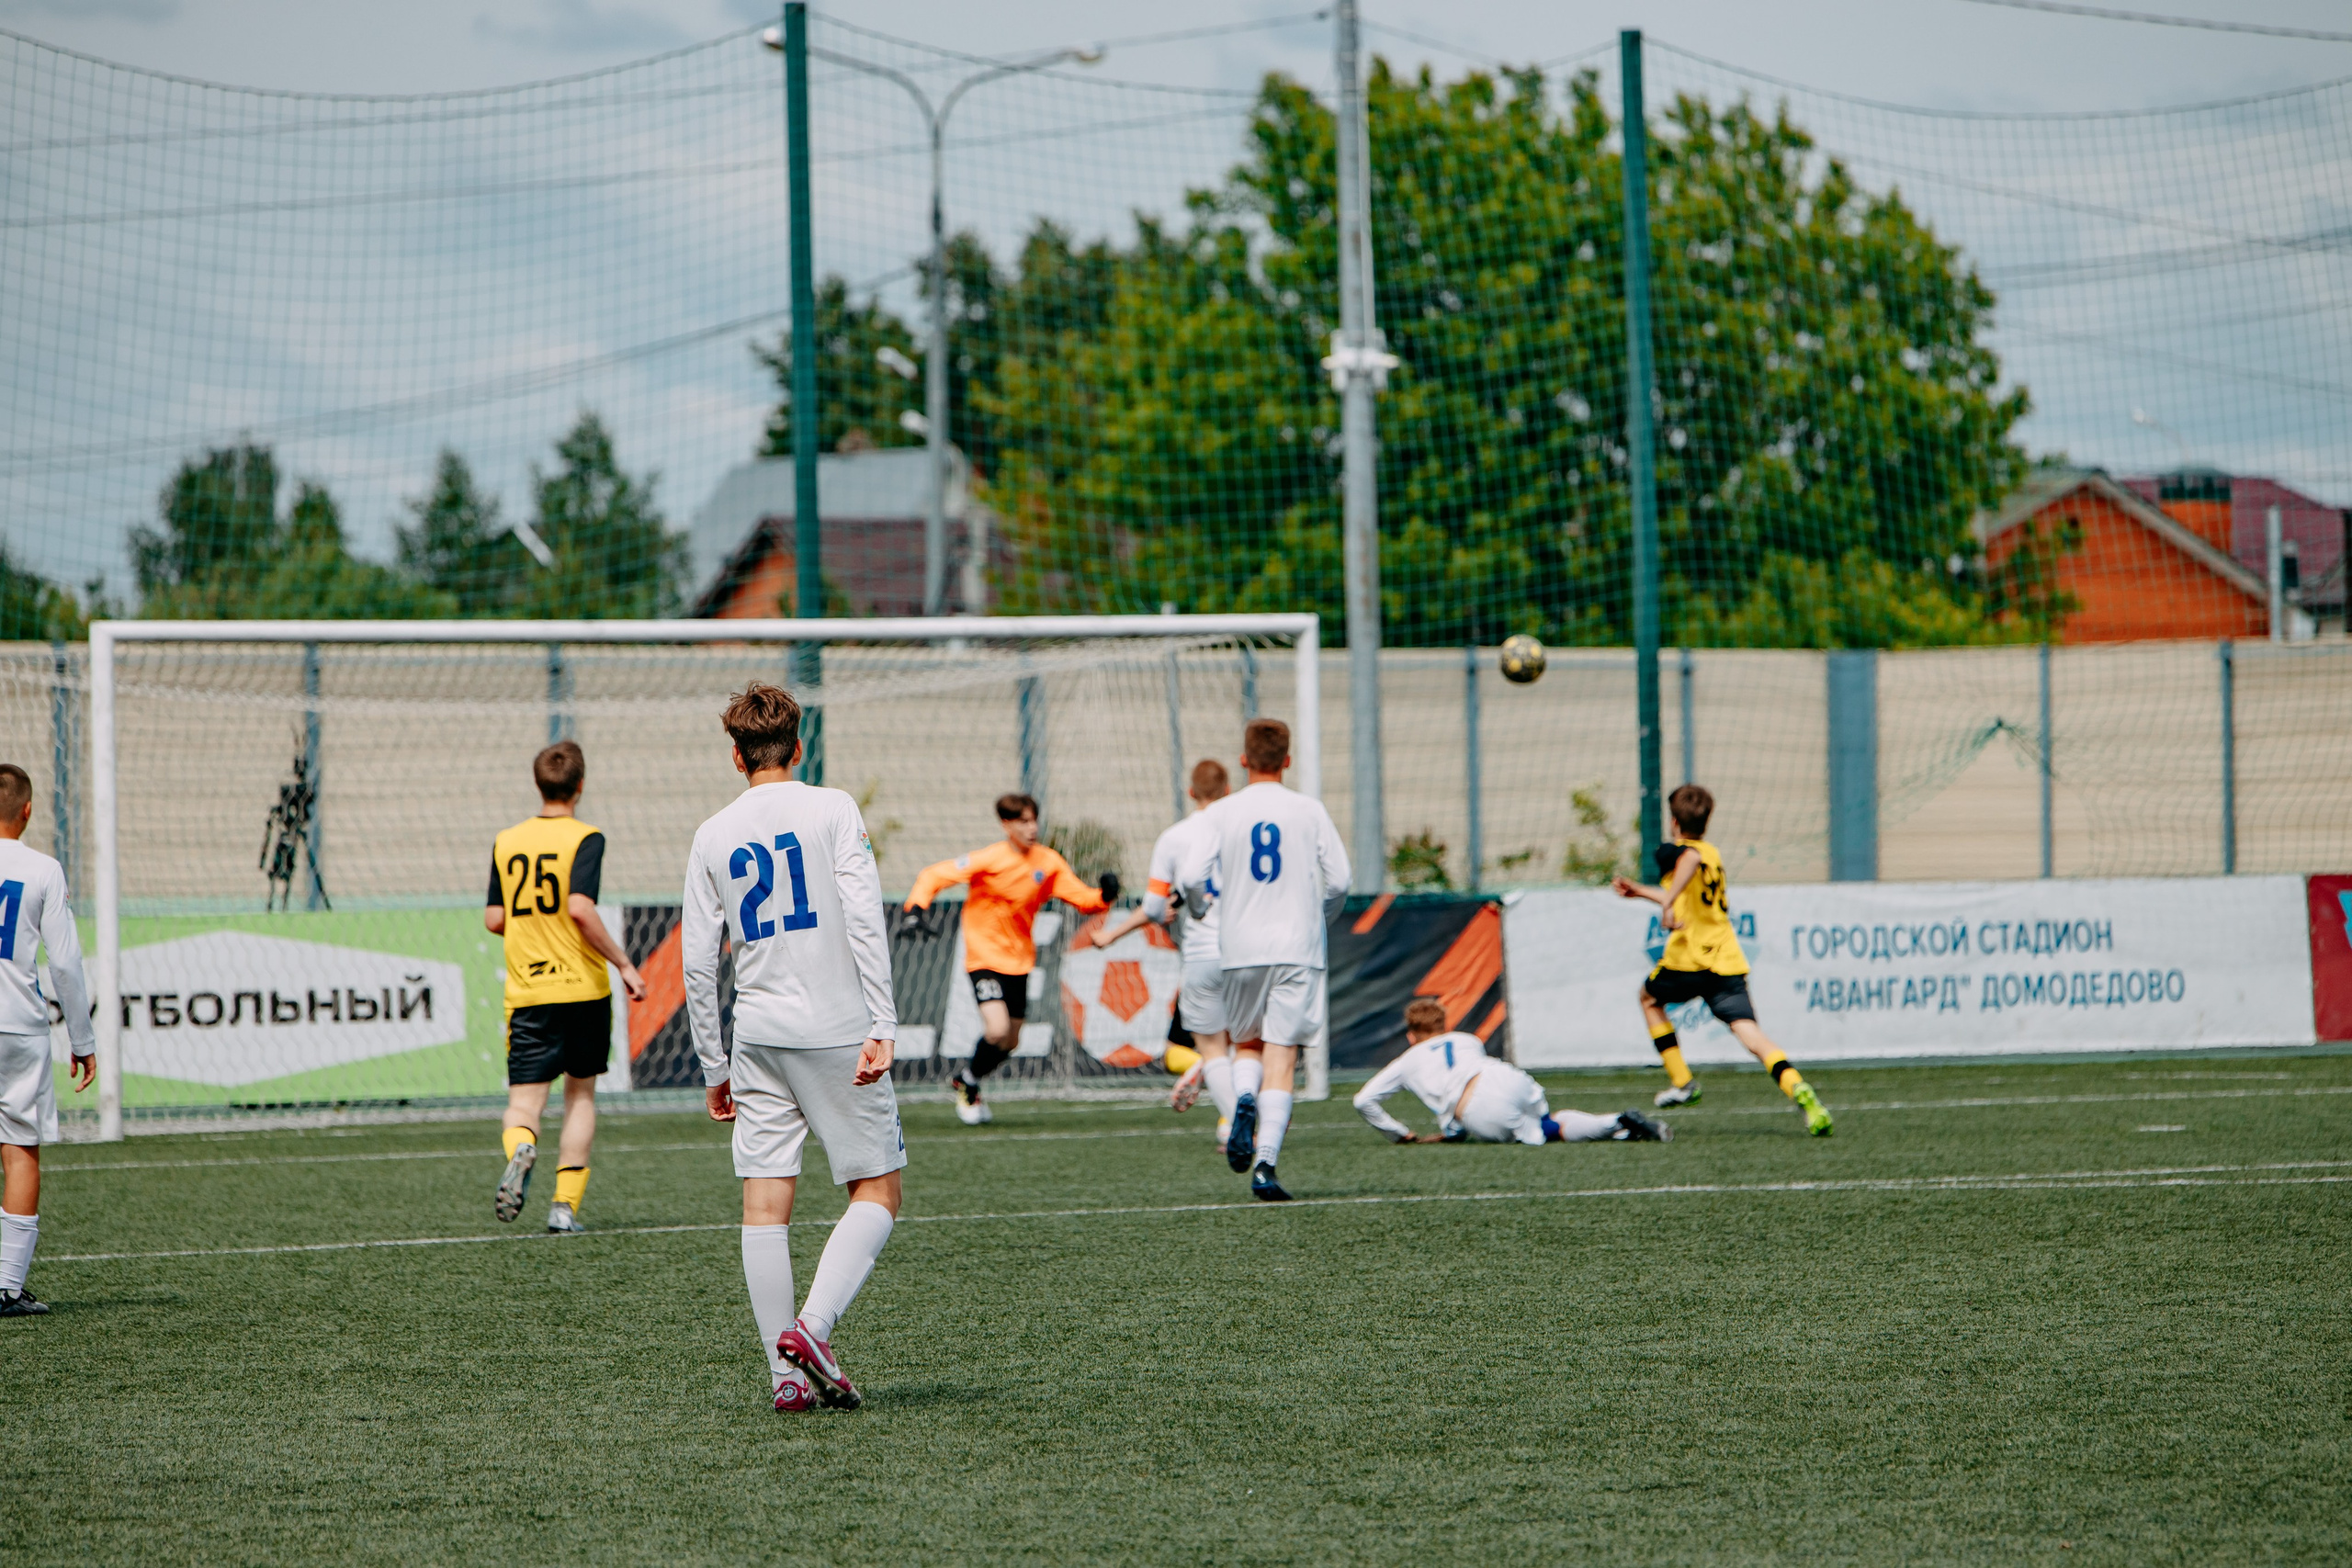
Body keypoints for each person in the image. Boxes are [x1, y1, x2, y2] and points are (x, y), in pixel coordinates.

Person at [684, 682, 904, 1412]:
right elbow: (864, 914)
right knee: (877, 1189)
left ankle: (784, 1380)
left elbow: (696, 957)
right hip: (836, 1028)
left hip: (758, 1036)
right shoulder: (833, 805)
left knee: (765, 1204)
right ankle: (810, 1329)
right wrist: (884, 1022)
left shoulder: (713, 832)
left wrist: (714, 1065)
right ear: (799, 747)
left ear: (737, 755)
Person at [1179, 718, 1350, 1202]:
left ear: (1244, 760)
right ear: (1288, 761)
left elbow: (1192, 875)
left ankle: (1242, 1104)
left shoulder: (1223, 812)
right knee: (1284, 1056)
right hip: (1297, 949)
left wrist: (1198, 909)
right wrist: (1320, 921)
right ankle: (1266, 1165)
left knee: (1247, 1045)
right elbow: (1338, 881)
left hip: (1239, 949)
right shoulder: (1308, 810)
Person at [485, 740, 648, 1234]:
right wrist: (623, 962)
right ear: (580, 785)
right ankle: (563, 1209)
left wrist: (532, 926)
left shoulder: (507, 841)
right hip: (583, 990)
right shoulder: (587, 837)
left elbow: (495, 918)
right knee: (580, 1098)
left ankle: (522, 1148)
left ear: (539, 784)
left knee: (524, 1105)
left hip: (530, 993)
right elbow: (579, 907)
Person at [1611, 783, 1833, 1136]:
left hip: (1689, 960)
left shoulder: (1682, 852)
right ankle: (1799, 1089)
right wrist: (1642, 892)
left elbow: (1687, 862)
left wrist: (1666, 905)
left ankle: (1683, 1082)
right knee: (1752, 1035)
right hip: (1726, 962)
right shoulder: (1712, 853)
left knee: (1649, 998)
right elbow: (1687, 887)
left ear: (1673, 821)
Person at [907, 794, 1115, 1125]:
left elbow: (1083, 899)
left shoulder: (1048, 862)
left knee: (1012, 1041)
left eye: (1034, 820)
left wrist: (1105, 896)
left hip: (1019, 962)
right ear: (1006, 824)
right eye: (1023, 821)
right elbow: (934, 875)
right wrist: (916, 908)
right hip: (984, 958)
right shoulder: (990, 859)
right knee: (998, 1028)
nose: (1032, 828)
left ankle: (968, 1080)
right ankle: (969, 1084)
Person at [1091, 758, 1231, 1143]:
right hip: (1256, 953)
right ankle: (1229, 1123)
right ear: (1229, 790)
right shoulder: (1244, 828)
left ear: (1190, 792)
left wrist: (1112, 934)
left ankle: (1210, 1076)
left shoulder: (1176, 837)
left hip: (1204, 956)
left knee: (1177, 1053)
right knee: (1251, 1048)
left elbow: (1157, 905)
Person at [0, 764, 94, 1317]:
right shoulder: (43, 868)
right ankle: (6, 1289)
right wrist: (82, 1038)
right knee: (19, 1151)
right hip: (17, 1026)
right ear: (28, 812)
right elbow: (65, 962)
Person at [1355, 998, 1670, 1145]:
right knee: (1550, 1123)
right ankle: (1619, 1124)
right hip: (1504, 1076)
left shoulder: (1406, 1060)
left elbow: (1363, 1100)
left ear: (1411, 1034)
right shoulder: (1467, 1039)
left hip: (1477, 1106)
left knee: (1548, 1134)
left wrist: (1399, 1135)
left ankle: (1618, 1126)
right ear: (1444, 1027)